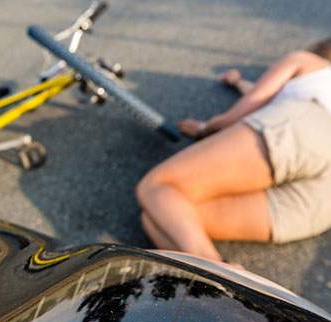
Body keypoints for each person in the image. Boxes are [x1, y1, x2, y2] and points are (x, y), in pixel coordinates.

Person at [136, 38, 331, 265]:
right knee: (161, 217)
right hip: (323, 199)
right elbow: (265, 94)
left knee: (157, 186)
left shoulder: (307, 61)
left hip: (310, 126)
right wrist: (239, 82)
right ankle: (228, 289)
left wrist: (205, 128)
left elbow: (253, 100)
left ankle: (221, 271)